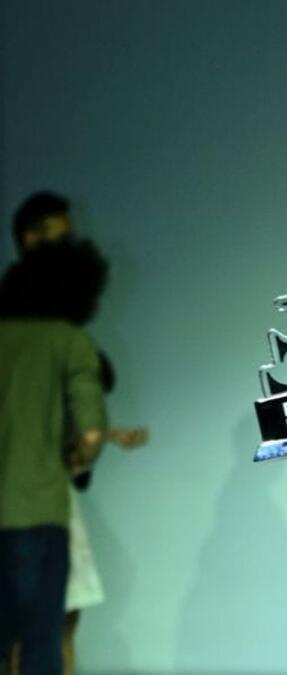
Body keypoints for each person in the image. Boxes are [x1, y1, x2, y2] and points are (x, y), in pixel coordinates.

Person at [0, 240, 108, 675]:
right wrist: (75, 458)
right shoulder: (68, 342)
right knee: (40, 647)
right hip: (36, 512)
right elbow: (91, 434)